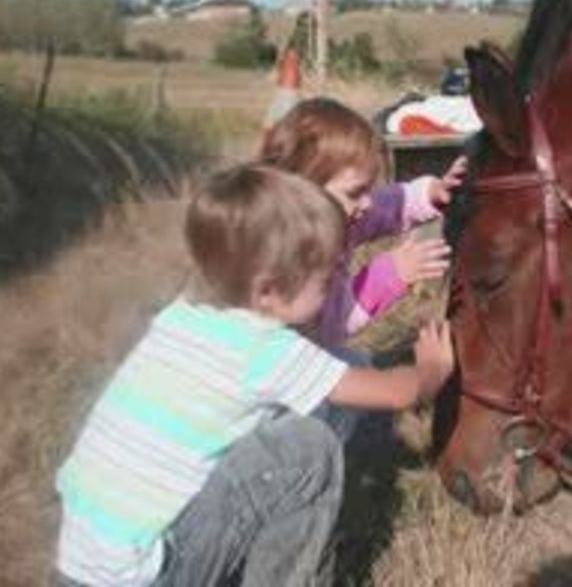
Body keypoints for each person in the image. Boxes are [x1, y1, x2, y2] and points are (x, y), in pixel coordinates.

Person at [54, 164, 454, 587]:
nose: (333, 286)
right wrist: (429, 374)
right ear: (267, 291)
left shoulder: (182, 315)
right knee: (307, 450)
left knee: (255, 437)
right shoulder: (264, 349)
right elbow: (388, 393)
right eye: (325, 279)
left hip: (80, 563)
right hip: (151, 574)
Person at [258, 97, 467, 354]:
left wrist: (432, 193)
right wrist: (392, 274)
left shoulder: (335, 213)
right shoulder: (289, 254)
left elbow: (388, 205)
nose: (367, 203)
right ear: (306, 188)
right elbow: (333, 324)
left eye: (367, 190)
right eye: (356, 192)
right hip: (286, 367)